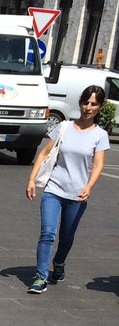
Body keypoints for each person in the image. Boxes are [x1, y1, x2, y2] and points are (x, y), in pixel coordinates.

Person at [25, 85, 108, 294]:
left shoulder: (100, 135)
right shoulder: (63, 127)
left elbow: (98, 165)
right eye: (85, 102)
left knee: (67, 237)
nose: (88, 108)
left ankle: (59, 262)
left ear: (100, 107)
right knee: (47, 233)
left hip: (77, 195)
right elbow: (44, 153)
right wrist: (32, 179)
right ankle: (40, 277)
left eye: (93, 104)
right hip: (54, 189)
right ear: (80, 103)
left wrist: (89, 186)